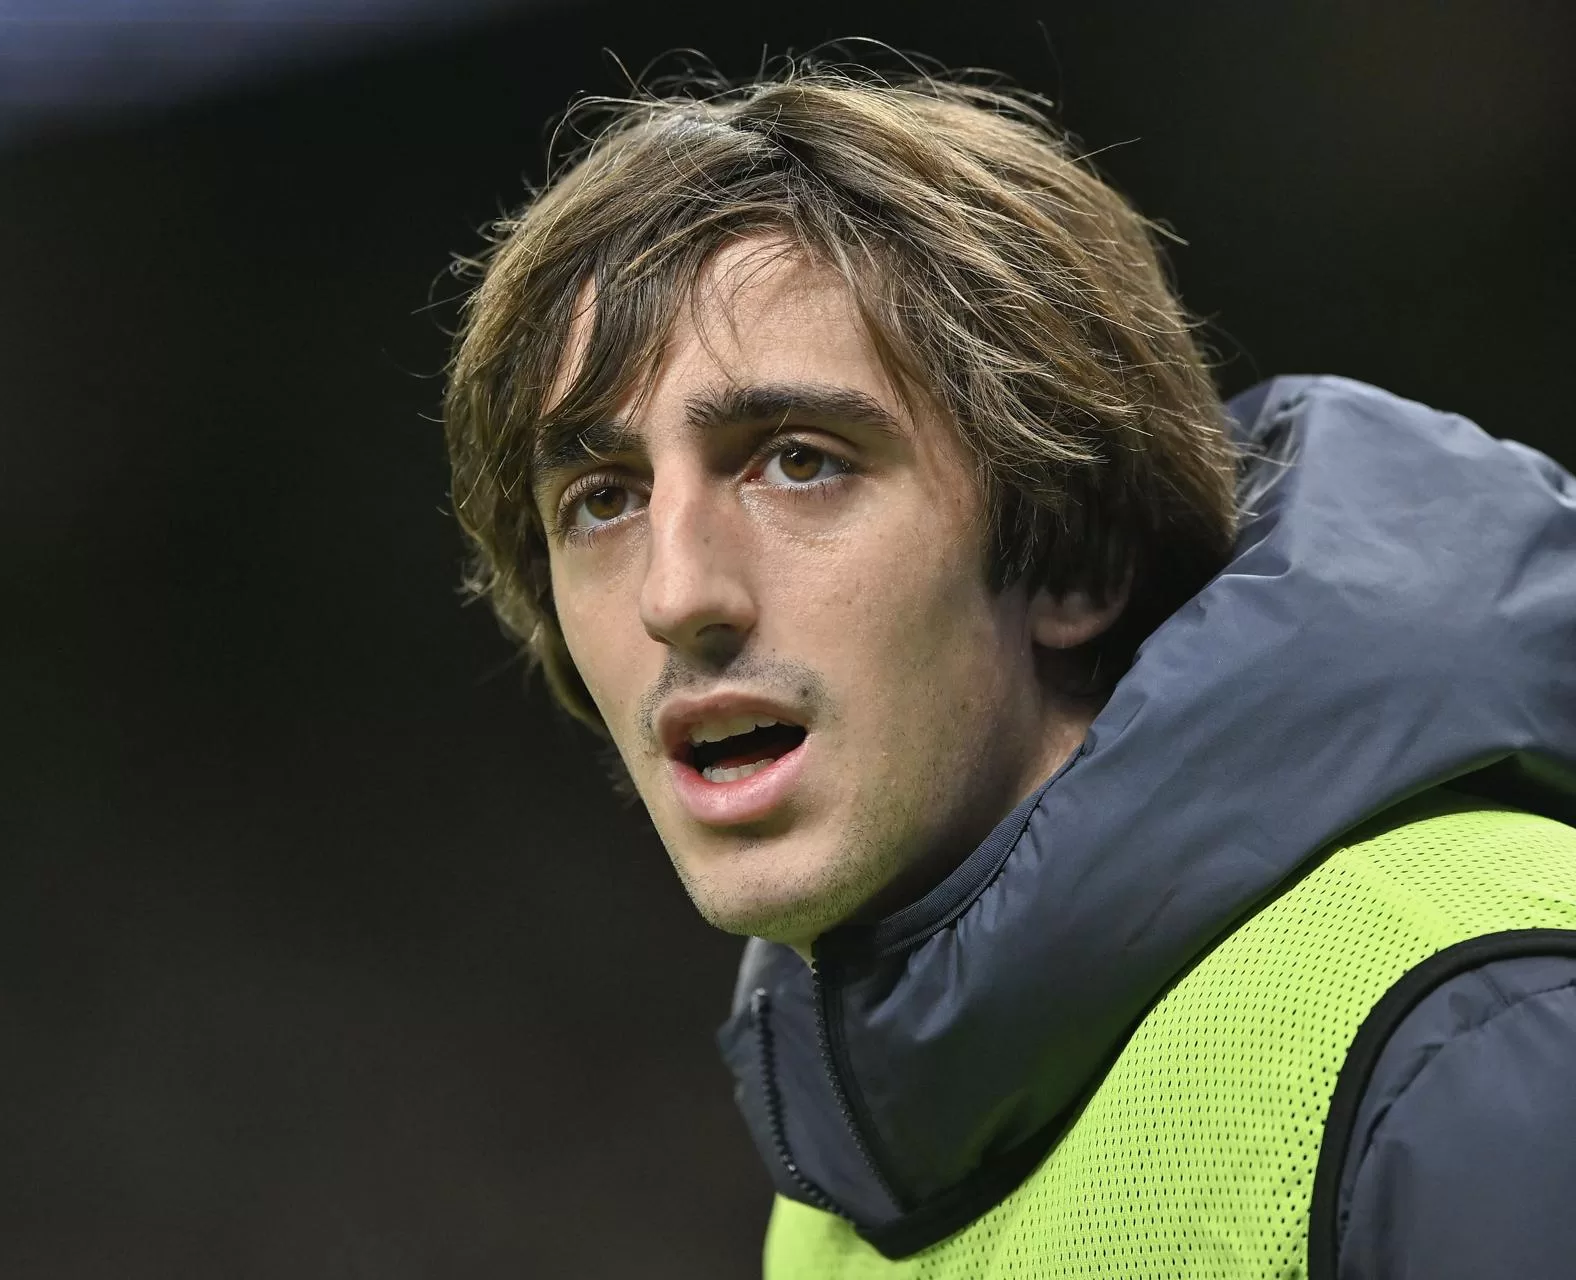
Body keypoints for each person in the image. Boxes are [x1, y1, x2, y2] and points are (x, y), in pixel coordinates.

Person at [439, 64, 1576, 1277]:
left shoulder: (1483, 1028)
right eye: (604, 499)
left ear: (1071, 554)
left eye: (801, 461)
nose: (678, 594)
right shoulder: (840, 1193)